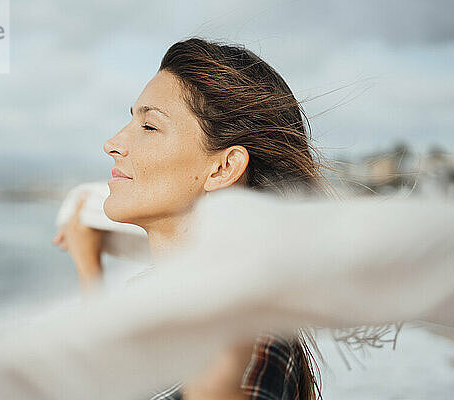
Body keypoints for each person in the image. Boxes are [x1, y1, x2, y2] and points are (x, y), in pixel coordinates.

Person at [53, 37, 328, 400]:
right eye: (130, 120)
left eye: (149, 126)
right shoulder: (151, 297)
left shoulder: (250, 330)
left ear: (223, 167)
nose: (112, 143)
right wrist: (89, 269)